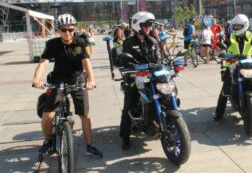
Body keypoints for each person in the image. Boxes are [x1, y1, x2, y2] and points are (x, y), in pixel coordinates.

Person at [32, 13, 103, 158]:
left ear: (74, 29)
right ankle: (48, 142)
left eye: (70, 29)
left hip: (77, 81)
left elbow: (86, 63)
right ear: (58, 30)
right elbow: (43, 63)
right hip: (58, 81)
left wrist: (91, 80)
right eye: (63, 30)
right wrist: (36, 79)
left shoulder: (81, 42)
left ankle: (90, 146)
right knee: (47, 116)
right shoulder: (52, 44)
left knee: (85, 115)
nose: (67, 33)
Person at [214, 14, 252, 121]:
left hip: (247, 63)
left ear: (245, 25)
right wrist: (223, 52)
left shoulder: (249, 35)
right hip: (232, 64)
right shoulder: (230, 36)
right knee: (225, 89)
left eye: (238, 26)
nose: (236, 28)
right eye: (234, 26)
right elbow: (225, 45)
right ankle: (219, 113)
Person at [120, 11, 161, 150]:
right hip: (134, 77)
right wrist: (134, 66)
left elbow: (159, 58)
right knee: (128, 106)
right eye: (146, 25)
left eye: (150, 25)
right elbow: (125, 62)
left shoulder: (153, 41)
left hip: (152, 77)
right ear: (138, 26)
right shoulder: (128, 42)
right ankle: (125, 137)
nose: (149, 28)